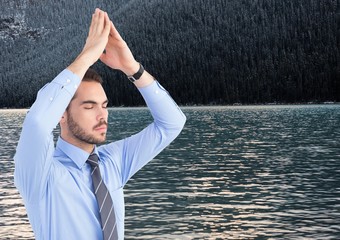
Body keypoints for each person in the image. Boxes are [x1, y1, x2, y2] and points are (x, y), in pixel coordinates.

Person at [14, 8, 186, 240]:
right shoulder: (41, 174)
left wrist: (132, 69)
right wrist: (87, 56)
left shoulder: (113, 162)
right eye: (89, 106)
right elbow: (37, 124)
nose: (102, 115)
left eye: (104, 105)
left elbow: (172, 124)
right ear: (61, 114)